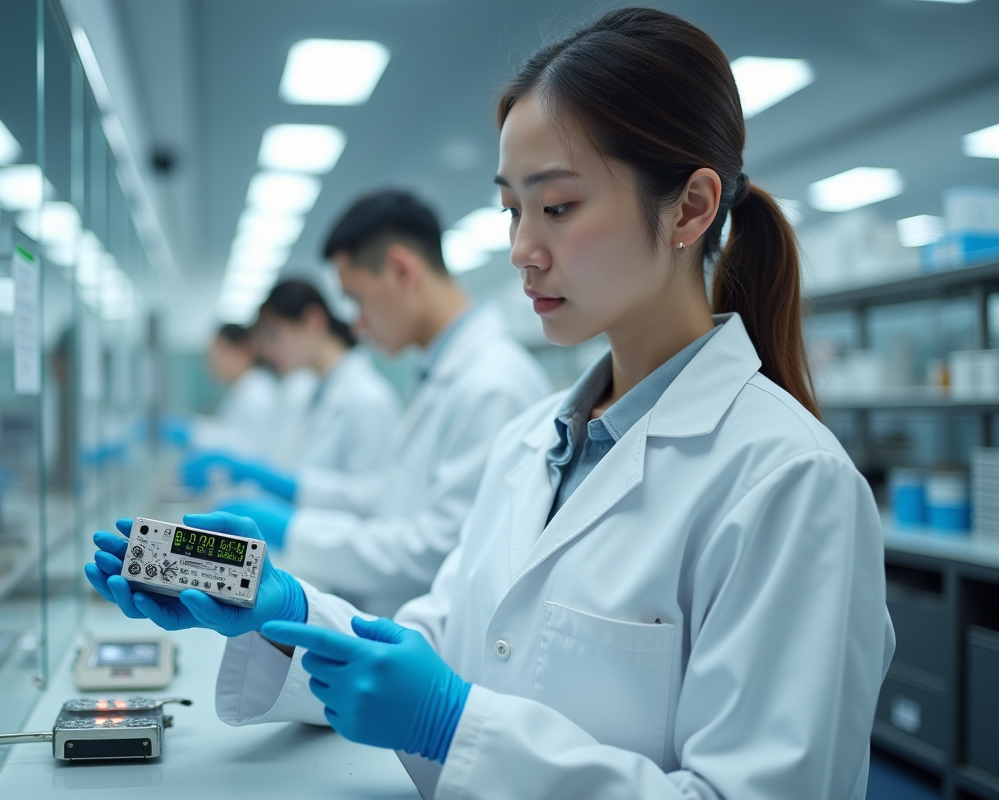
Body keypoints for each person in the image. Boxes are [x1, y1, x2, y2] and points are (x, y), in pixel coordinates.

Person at [88, 9, 894, 797]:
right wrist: (287, 611)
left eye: (558, 207)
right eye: (511, 208)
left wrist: (452, 727)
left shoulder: (790, 484)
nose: (520, 250)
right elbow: (442, 643)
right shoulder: (530, 445)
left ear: (689, 207)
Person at [208, 190, 551, 614]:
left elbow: (436, 548)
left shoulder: (494, 384)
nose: (355, 320)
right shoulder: (438, 377)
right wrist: (292, 496)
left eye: (356, 297)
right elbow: (391, 500)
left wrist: (295, 529)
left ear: (400, 271)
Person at [180, 279, 401, 502]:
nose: (267, 350)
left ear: (311, 322)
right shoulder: (306, 393)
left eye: (274, 336)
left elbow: (372, 502)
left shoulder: (370, 401)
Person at [177, 322, 281, 459]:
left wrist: (195, 433)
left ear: (244, 350)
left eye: (219, 353)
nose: (212, 362)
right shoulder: (243, 388)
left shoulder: (259, 394)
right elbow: (227, 433)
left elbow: (250, 447)